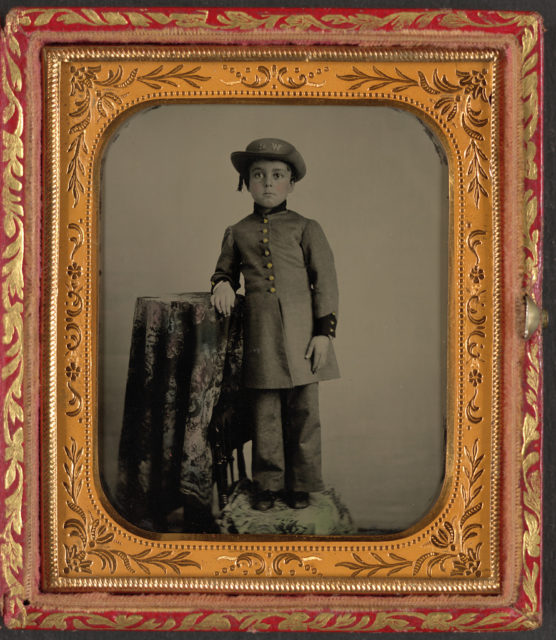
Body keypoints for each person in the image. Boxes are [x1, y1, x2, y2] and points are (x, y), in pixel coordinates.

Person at [211, 138, 339, 511]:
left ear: (291, 184)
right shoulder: (237, 231)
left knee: (303, 413)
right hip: (261, 339)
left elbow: (326, 282)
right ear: (246, 183)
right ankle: (267, 485)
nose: (268, 183)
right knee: (265, 413)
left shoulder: (306, 228)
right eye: (259, 175)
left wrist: (323, 335)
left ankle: (301, 483)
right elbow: (224, 272)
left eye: (277, 175)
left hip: (302, 338)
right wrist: (221, 283)